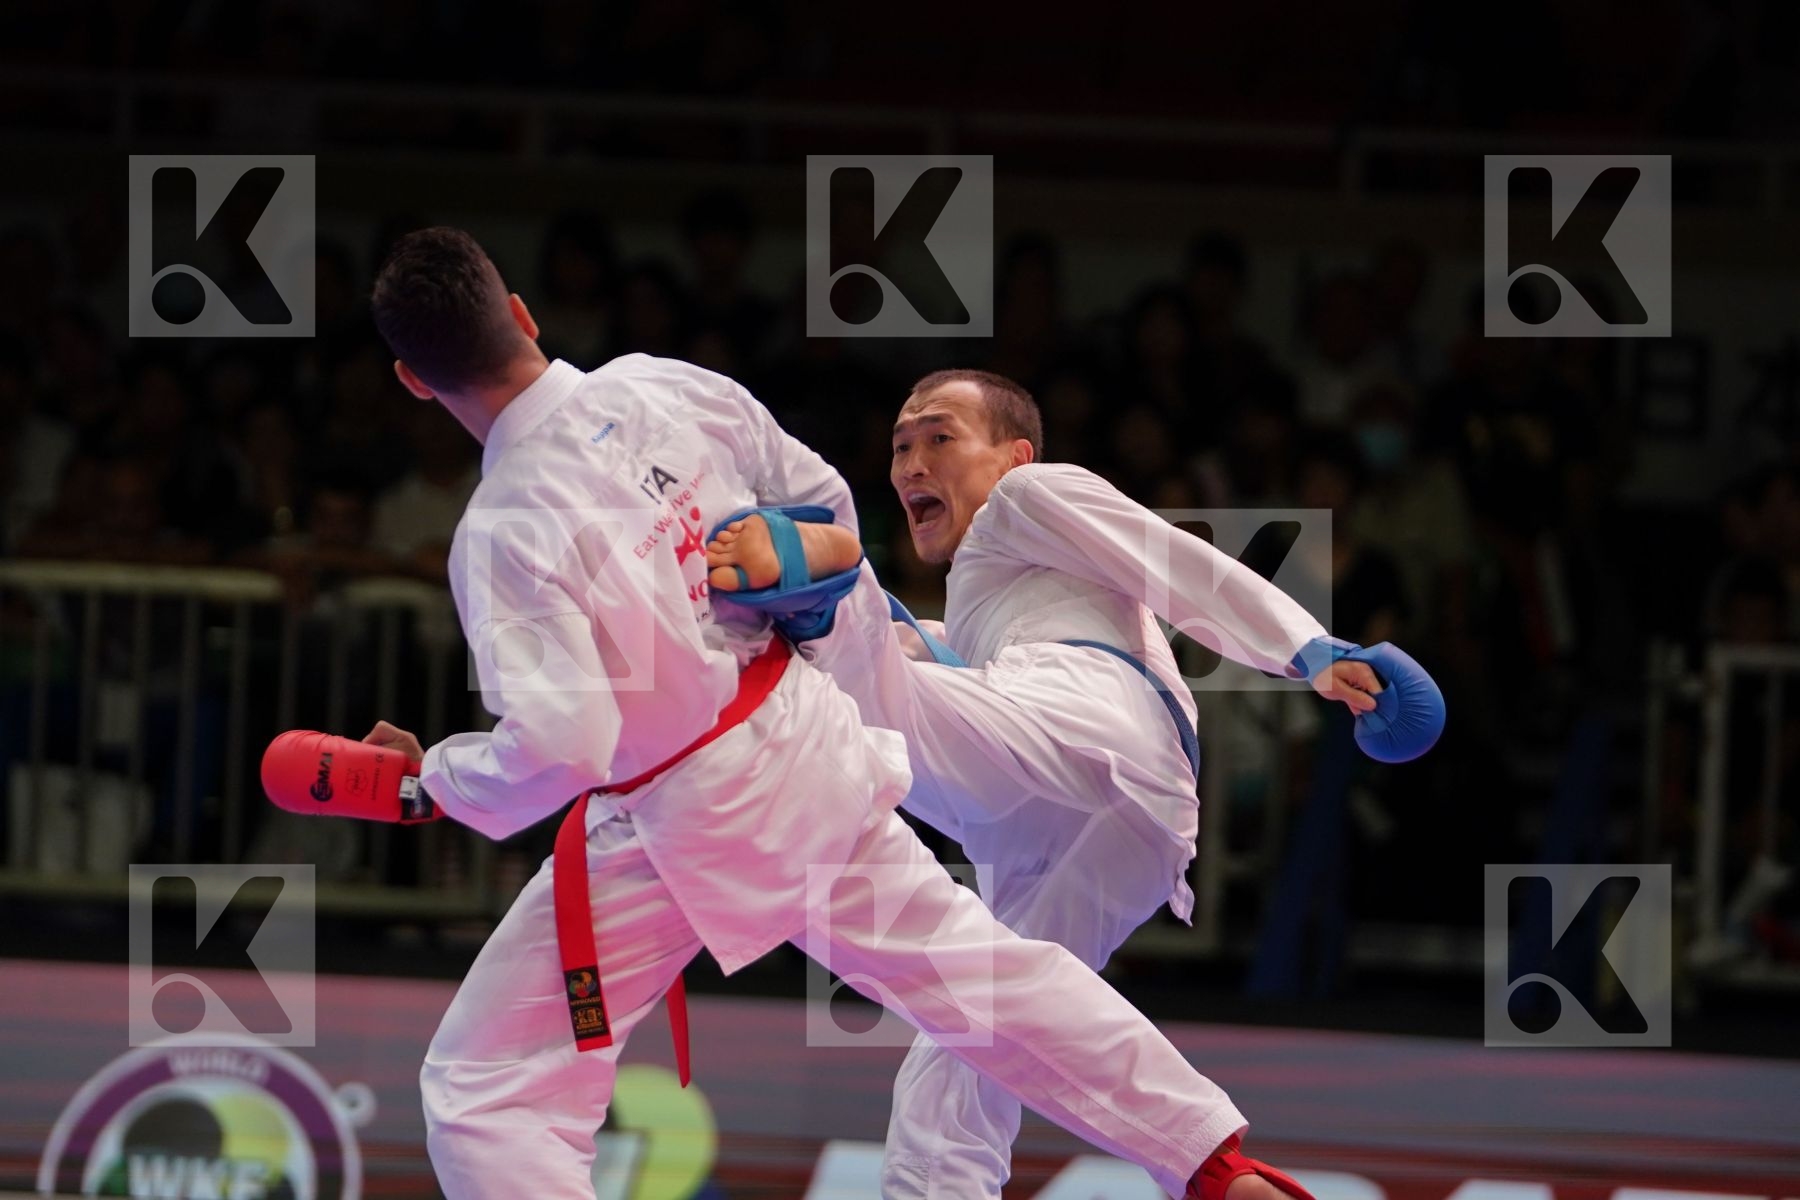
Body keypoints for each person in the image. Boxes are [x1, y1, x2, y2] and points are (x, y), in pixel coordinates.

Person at [277, 226, 1326, 1200]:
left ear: (415, 381)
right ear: (522, 311)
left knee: (494, 1084)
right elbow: (824, 500)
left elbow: (563, 746)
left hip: (682, 805)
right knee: (976, 974)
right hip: (810, 738)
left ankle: (1202, 1155)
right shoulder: (662, 388)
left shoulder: (501, 531)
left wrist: (432, 782)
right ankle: (1210, 1158)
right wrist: (784, 567)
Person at [706, 368, 1442, 1200]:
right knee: (965, 1048)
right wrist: (910, 640)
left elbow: (1177, 565)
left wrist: (1309, 650)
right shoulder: (999, 590)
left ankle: (802, 598)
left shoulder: (1031, 495)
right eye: (901, 446)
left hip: (1093, 729)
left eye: (940, 437)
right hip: (1114, 830)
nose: (912, 463)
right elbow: (953, 656)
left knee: (849, 675)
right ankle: (1218, 1173)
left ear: (1013, 455)